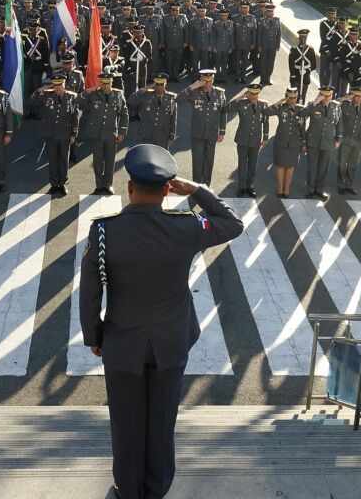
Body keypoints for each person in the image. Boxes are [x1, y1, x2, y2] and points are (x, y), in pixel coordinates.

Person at [79, 144, 244, 499]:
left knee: (125, 424)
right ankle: (156, 490)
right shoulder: (186, 228)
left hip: (123, 344)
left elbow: (90, 292)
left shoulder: (104, 232)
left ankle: (128, 490)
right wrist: (198, 190)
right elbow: (233, 224)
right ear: (169, 189)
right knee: (162, 420)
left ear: (129, 187)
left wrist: (94, 335)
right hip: (171, 342)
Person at [28, 73, 80, 197]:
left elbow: (75, 117)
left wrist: (74, 134)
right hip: (51, 133)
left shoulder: (72, 97)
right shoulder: (46, 95)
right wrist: (41, 89)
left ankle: (63, 184)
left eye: (60, 85)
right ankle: (54, 184)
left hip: (65, 134)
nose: (57, 88)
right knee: (53, 159)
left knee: (63, 159)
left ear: (64, 84)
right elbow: (31, 102)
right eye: (55, 85)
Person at [80, 73, 129, 195]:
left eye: (108, 83)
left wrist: (122, 132)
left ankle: (108, 185)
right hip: (96, 134)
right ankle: (99, 185)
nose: (105, 86)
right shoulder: (93, 94)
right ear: (100, 83)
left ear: (111, 82)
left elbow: (124, 114)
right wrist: (88, 91)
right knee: (97, 161)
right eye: (103, 83)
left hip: (111, 133)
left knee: (110, 161)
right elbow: (77, 101)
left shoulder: (118, 95)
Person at [177, 69, 228, 185]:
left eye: (209, 81)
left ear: (213, 80)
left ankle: (206, 185)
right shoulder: (194, 92)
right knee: (197, 161)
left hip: (212, 132)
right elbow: (178, 100)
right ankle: (196, 185)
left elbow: (223, 112)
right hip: (198, 132)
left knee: (209, 160)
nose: (207, 83)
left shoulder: (220, 93)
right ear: (201, 80)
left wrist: (222, 131)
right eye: (205, 81)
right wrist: (191, 87)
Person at [225, 83, 269, 197]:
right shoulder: (241, 104)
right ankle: (241, 187)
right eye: (251, 94)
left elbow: (266, 122)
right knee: (242, 164)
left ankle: (250, 186)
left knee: (253, 165)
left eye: (256, 94)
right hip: (242, 139)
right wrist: (239, 97)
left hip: (256, 140)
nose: (254, 96)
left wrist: (265, 138)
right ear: (248, 94)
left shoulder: (263, 105)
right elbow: (226, 109)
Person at [301, 86, 341, 200]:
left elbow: (339, 123)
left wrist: (338, 139)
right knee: (312, 167)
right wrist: (314, 102)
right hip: (313, 141)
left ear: (332, 95)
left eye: (328, 95)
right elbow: (302, 114)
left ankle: (319, 190)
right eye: (324, 95)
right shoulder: (313, 105)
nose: (326, 98)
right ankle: (310, 190)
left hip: (328, 142)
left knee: (323, 167)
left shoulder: (336, 106)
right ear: (320, 95)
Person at [266, 88, 305, 198]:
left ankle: (287, 187)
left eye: (294, 98)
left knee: (290, 166)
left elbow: (303, 128)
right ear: (286, 97)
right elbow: (267, 112)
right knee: (280, 166)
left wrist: (304, 143)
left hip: (294, 143)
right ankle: (280, 187)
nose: (292, 100)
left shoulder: (301, 110)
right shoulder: (280, 108)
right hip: (281, 141)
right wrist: (279, 102)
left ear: (297, 98)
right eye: (290, 98)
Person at [335, 88, 361, 195]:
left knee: (352, 164)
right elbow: (335, 103)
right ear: (352, 96)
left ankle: (349, 185)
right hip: (345, 140)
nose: (359, 98)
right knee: (342, 163)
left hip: (357, 141)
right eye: (356, 96)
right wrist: (346, 97)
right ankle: (341, 184)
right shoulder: (345, 105)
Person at [128, 73, 178, 149]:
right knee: (147, 158)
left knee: (161, 158)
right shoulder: (147, 95)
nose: (159, 87)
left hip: (163, 136)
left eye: (162, 84)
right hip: (148, 134)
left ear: (166, 84)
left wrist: (172, 136)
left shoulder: (171, 98)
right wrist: (145, 89)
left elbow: (173, 118)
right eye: (157, 85)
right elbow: (131, 100)